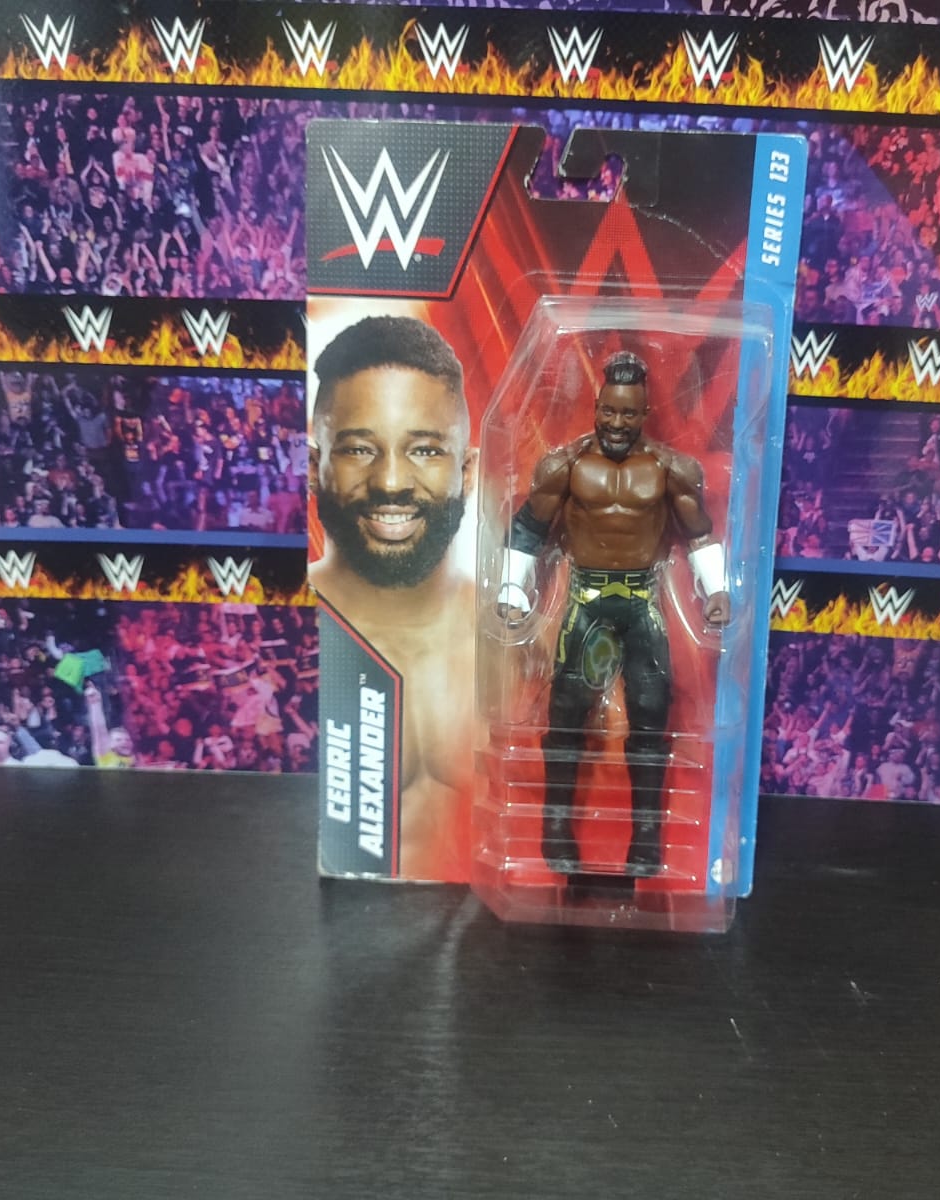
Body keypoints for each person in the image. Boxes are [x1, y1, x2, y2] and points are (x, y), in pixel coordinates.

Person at [498, 351, 729, 876]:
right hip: (587, 602)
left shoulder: (670, 470)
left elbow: (698, 532)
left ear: (645, 413)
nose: (617, 423)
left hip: (642, 603)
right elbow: (529, 528)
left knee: (651, 714)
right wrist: (513, 588)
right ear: (596, 407)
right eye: (609, 411)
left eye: (628, 413)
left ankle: (646, 837)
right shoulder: (566, 466)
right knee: (566, 716)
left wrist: (715, 589)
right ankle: (555, 827)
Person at [309, 315, 478, 880]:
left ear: (468, 471)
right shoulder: (275, 635)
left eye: (425, 451)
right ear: (314, 467)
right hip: (317, 926)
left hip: (486, 932)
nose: (390, 482)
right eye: (359, 449)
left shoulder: (521, 641)